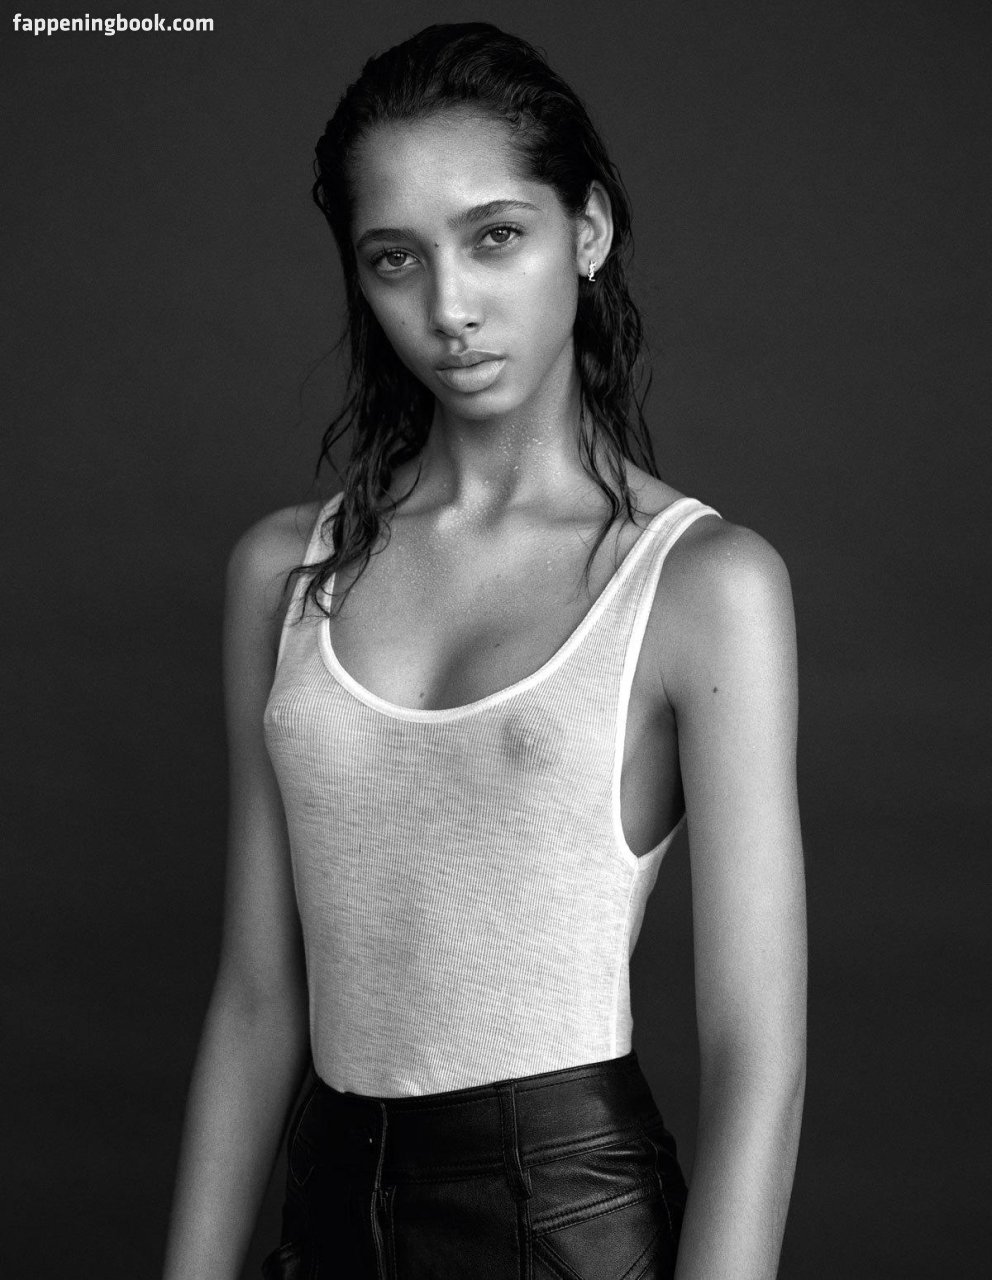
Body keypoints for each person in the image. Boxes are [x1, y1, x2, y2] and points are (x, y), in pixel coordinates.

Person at [163, 22, 806, 1280]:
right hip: (328, 1211)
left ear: (587, 230)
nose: (447, 307)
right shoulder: (281, 572)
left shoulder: (700, 585)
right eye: (394, 257)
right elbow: (257, 992)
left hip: (563, 1221)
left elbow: (755, 1054)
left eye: (495, 236)